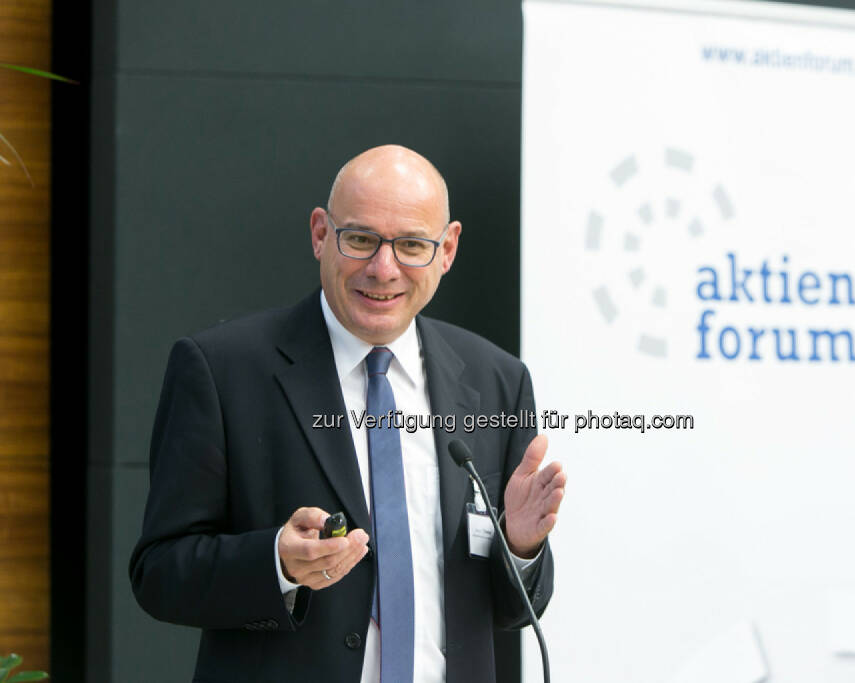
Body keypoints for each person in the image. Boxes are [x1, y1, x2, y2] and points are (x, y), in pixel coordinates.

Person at [129, 145, 566, 683]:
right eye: (360, 240)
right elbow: (160, 574)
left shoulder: (495, 379)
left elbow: (515, 609)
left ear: (447, 249)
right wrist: (277, 565)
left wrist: (521, 547)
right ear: (320, 234)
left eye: (411, 246)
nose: (383, 270)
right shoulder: (222, 370)